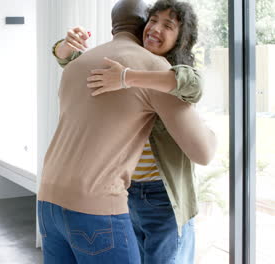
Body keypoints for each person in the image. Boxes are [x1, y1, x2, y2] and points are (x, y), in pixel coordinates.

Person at [37, 0, 216, 263]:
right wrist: (62, 47)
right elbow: (72, 59)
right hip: (123, 192)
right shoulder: (128, 65)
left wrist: (127, 77)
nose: (155, 28)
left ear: (181, 38)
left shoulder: (161, 72)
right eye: (153, 20)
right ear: (142, 23)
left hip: (158, 193)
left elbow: (194, 86)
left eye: (168, 25)